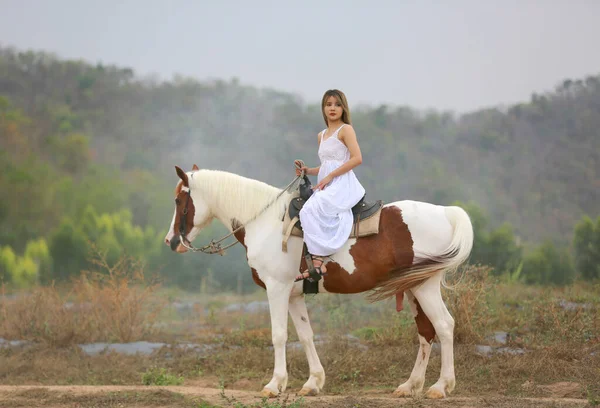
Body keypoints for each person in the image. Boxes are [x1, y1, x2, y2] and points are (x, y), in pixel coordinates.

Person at [294, 89, 365, 281]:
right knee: (308, 209)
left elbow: (357, 158)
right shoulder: (322, 135)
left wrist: (330, 176)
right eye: (328, 104)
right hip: (327, 182)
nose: (332, 108)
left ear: (343, 108)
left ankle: (319, 262)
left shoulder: (346, 130)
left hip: (342, 183)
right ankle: (317, 264)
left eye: (337, 104)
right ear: (323, 108)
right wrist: (308, 171)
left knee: (309, 210)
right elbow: (326, 165)